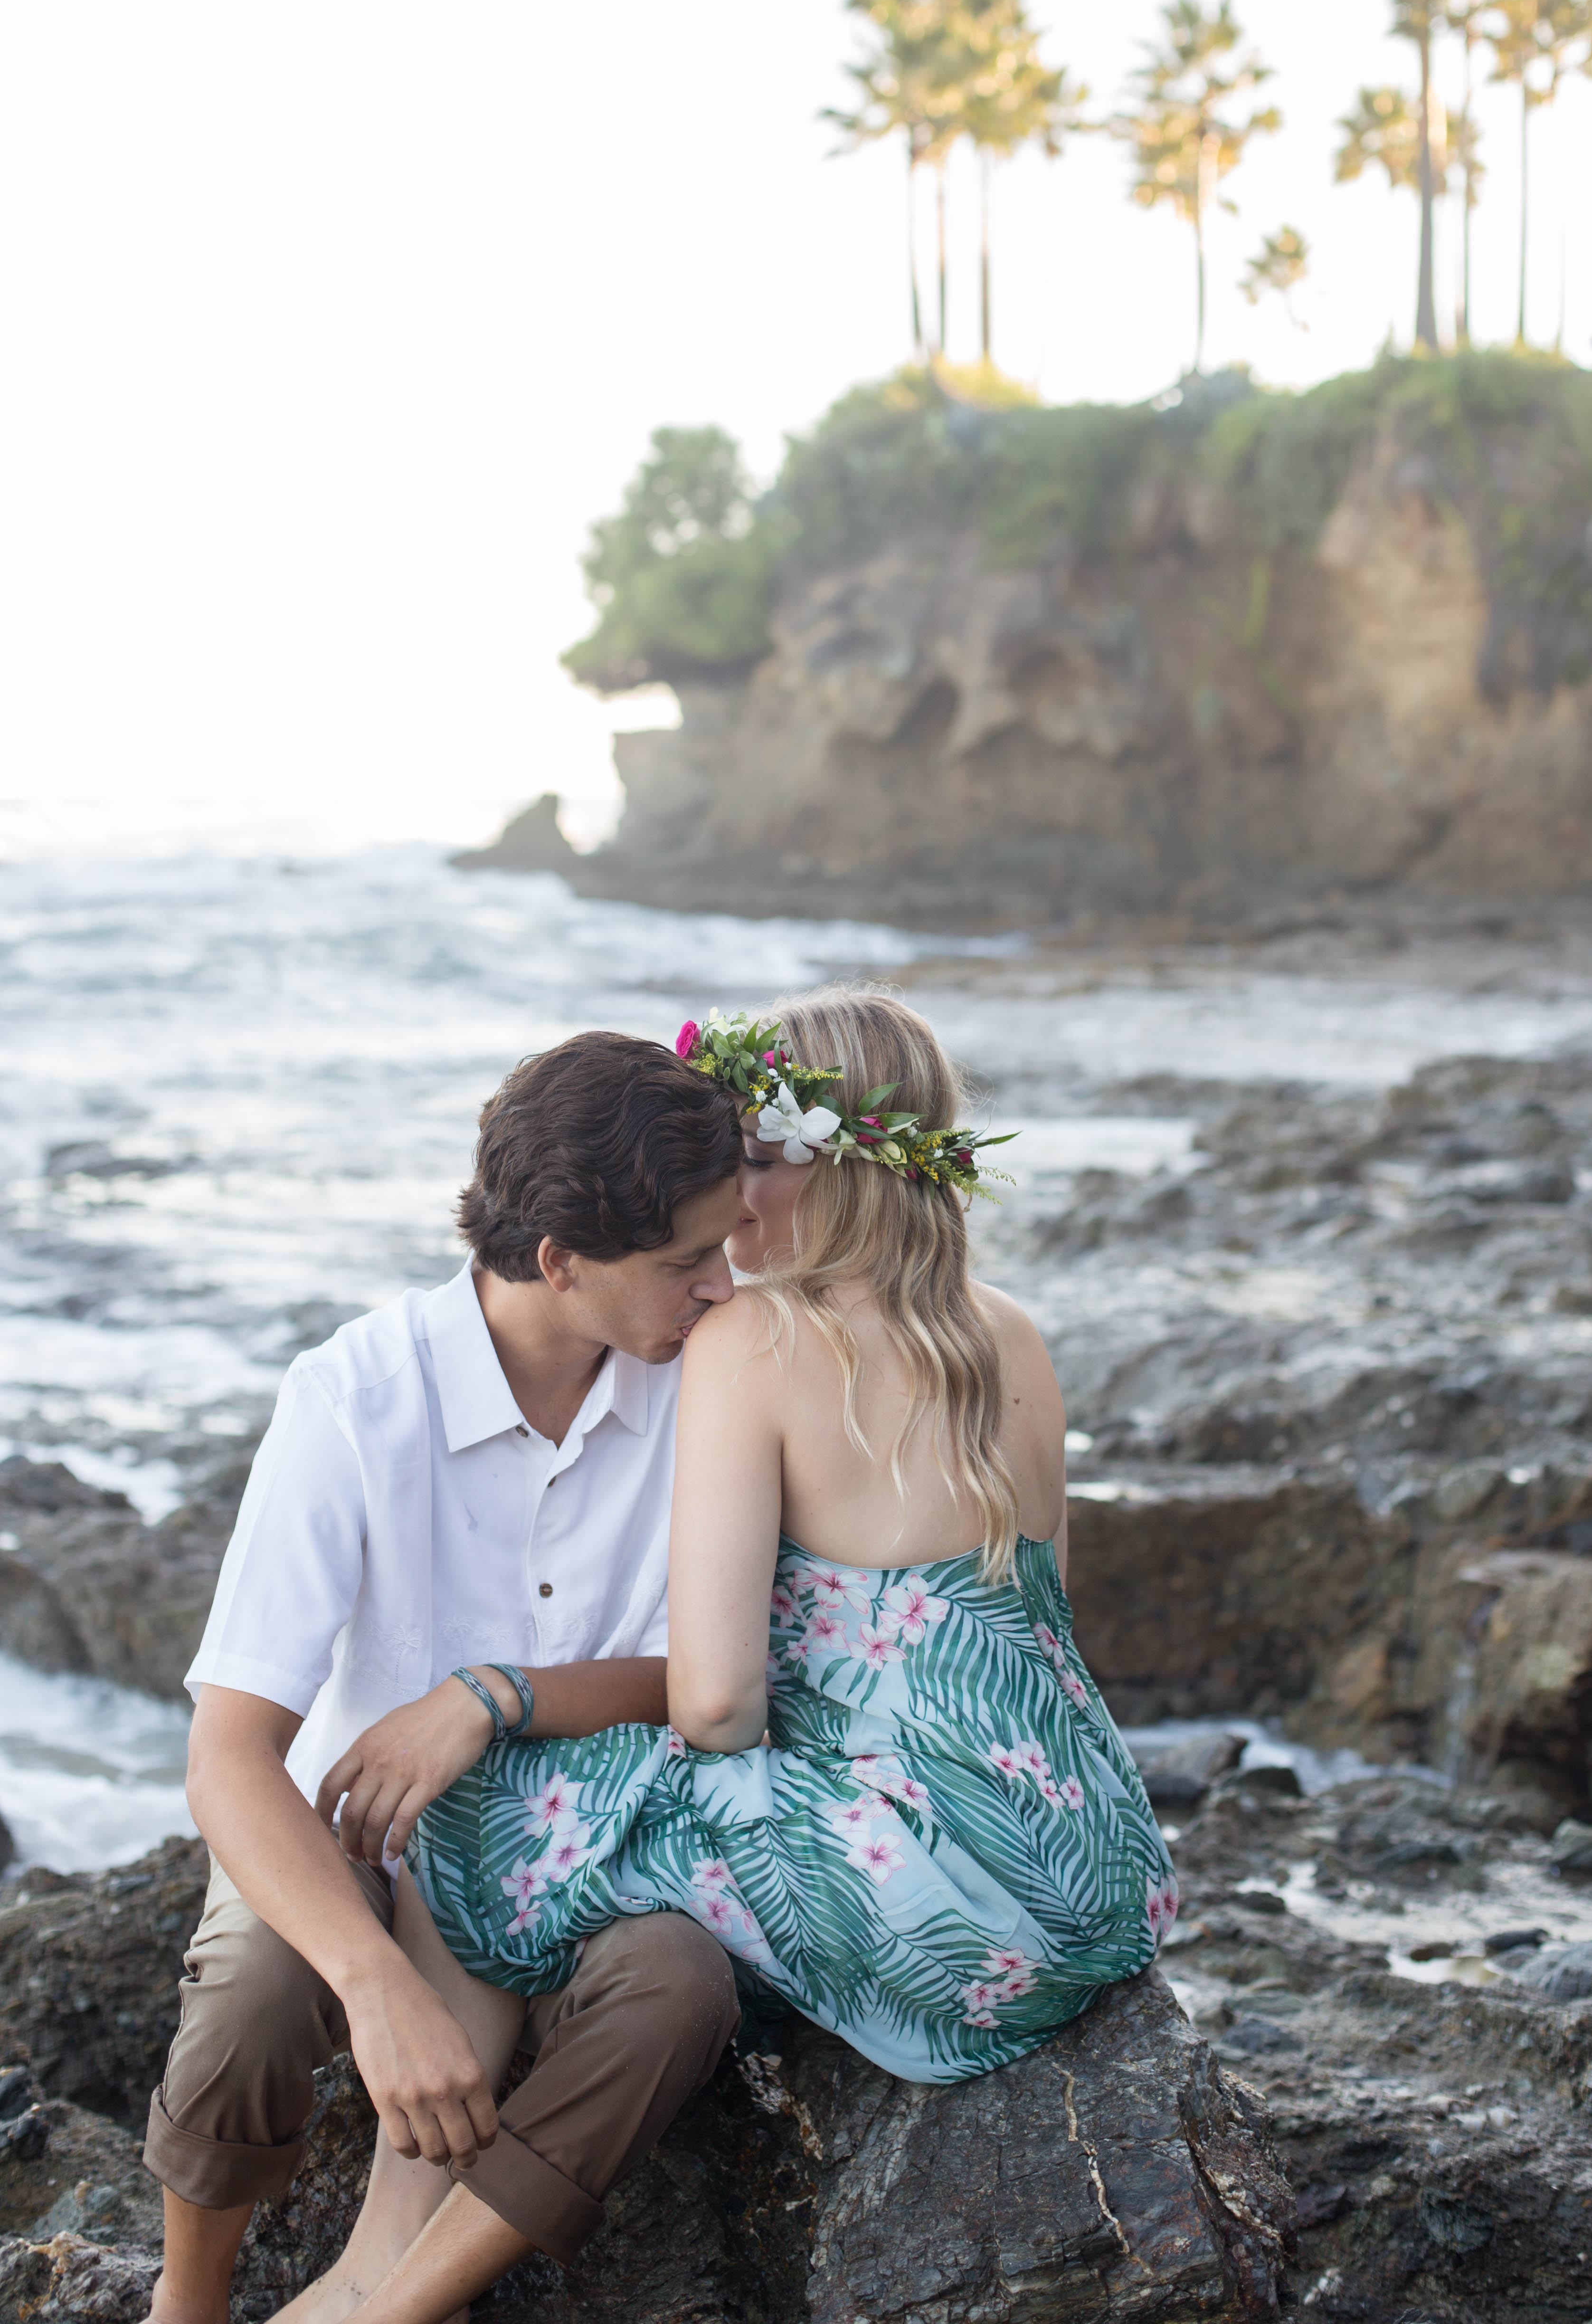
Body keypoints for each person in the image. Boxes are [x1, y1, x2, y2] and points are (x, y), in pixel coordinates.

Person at [309, 988, 1176, 2324]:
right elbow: (1030, 1634)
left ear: (826, 1162)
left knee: (478, 1814)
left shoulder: (759, 1339)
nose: (731, 1199)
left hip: (950, 1904)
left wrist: (529, 1717)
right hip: (1092, 1872)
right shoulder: (1010, 1334)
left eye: (756, 1161)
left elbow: (715, 1704)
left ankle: (379, 2280)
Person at [145, 1030, 748, 2324]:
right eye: (688, 1259)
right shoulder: (356, 1398)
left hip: (608, 1844)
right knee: (254, 1989)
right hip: (358, 1835)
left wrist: (491, 1694)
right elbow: (229, 1753)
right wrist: (378, 1987)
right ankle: (184, 2306)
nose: (722, 1284)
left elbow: (715, 1675)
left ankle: (397, 2300)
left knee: (680, 1992)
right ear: (559, 1263)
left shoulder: (719, 1383)